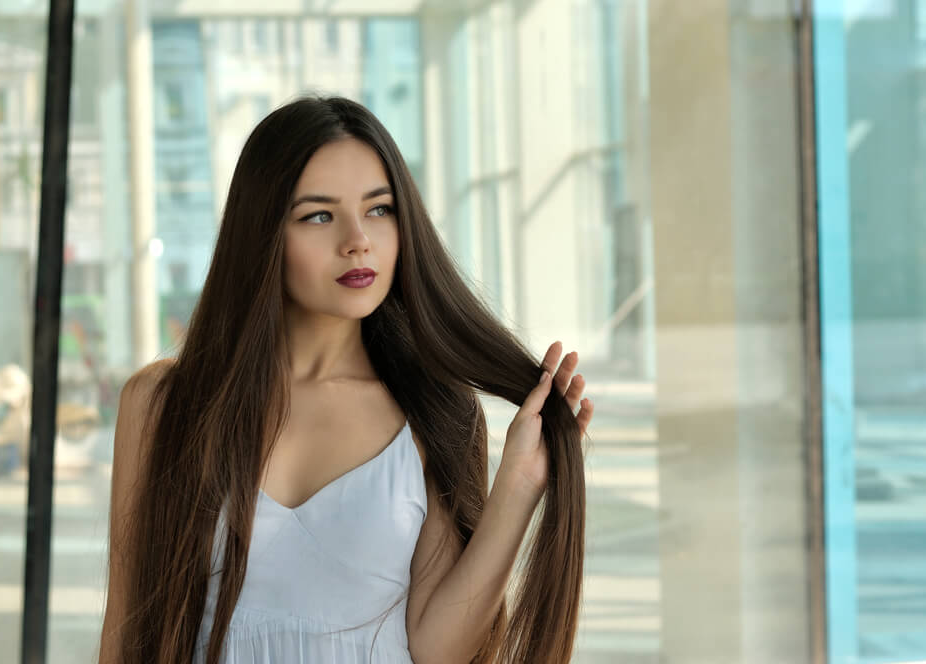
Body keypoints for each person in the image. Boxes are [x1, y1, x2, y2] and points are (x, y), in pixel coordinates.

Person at [98, 95, 593, 664]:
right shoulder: (165, 404)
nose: (358, 239)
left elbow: (434, 649)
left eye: (379, 209)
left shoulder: (433, 412)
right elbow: (126, 632)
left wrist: (521, 485)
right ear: (262, 235)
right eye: (318, 215)